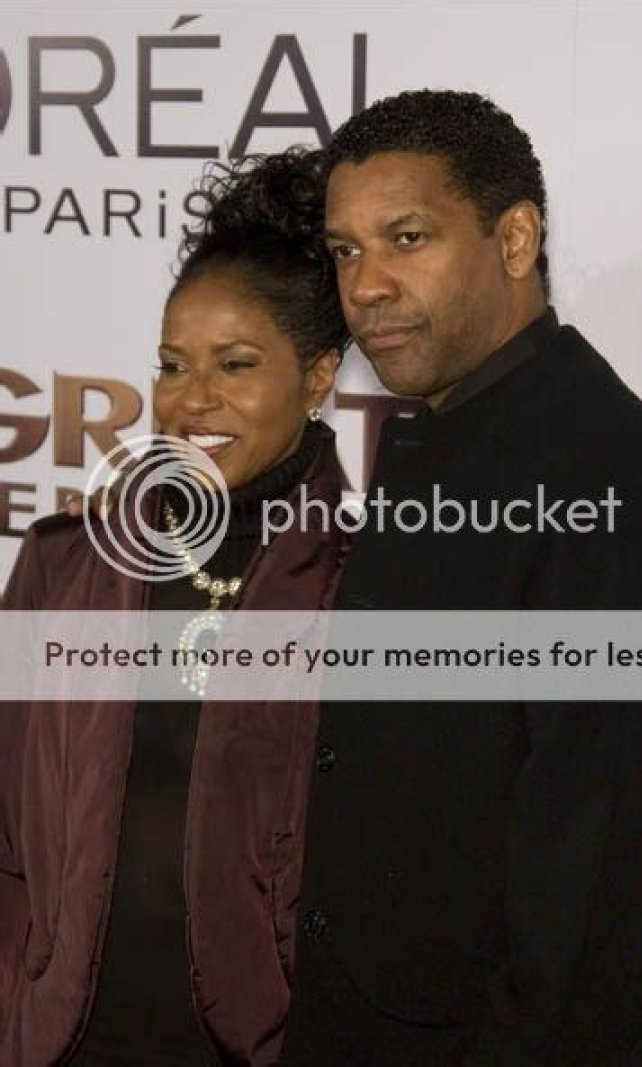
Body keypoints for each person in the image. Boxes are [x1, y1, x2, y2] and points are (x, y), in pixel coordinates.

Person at [274, 91, 642, 1064]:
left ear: (514, 239)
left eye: (407, 238)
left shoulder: (610, 485)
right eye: (346, 250)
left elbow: (610, 918)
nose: (367, 286)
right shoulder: (454, 432)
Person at [0, 148, 350, 1065]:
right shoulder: (63, 565)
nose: (193, 399)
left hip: (261, 1044)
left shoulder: (366, 587)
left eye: (236, 364)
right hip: (60, 1039)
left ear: (318, 376)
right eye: (171, 364)